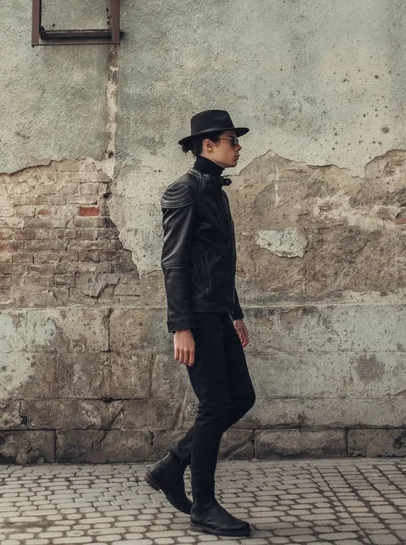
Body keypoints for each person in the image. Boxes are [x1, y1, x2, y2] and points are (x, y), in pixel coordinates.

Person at [145, 110, 256, 537]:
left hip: (218, 313)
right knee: (214, 406)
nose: (239, 146)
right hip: (197, 317)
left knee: (241, 397)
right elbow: (173, 263)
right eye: (232, 139)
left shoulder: (216, 192)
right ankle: (204, 506)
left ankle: (172, 466)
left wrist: (237, 314)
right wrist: (180, 326)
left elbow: (219, 264)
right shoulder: (185, 191)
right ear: (207, 145)